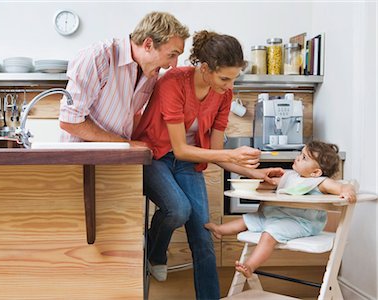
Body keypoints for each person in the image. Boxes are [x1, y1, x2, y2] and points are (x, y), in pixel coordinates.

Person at [132, 30, 283, 300]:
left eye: (233, 78)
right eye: (224, 78)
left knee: (203, 236)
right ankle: (155, 251)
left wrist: (255, 173)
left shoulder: (223, 93)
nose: (228, 86)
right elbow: (179, 148)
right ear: (204, 68)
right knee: (178, 209)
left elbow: (215, 152)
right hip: (155, 155)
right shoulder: (173, 83)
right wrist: (232, 155)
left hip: (191, 161)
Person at [205, 141, 357, 279]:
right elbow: (272, 184)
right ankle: (220, 230)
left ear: (316, 172)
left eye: (304, 158)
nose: (298, 158)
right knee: (248, 219)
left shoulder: (320, 182)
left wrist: (348, 191)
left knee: (269, 233)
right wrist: (253, 183)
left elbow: (343, 186)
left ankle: (250, 266)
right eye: (300, 154)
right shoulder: (292, 176)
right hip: (279, 216)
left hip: (301, 222)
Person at [59, 12, 189, 143]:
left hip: (118, 157)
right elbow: (69, 120)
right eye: (172, 55)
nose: (174, 65)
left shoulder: (150, 71)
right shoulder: (98, 58)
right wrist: (125, 144)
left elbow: (133, 114)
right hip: (80, 158)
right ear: (148, 45)